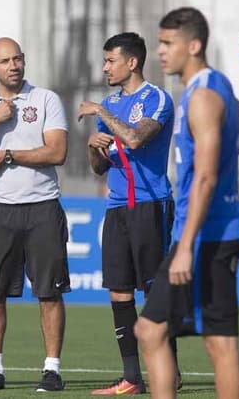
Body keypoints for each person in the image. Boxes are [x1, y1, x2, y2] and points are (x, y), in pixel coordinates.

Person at [134, 7, 239, 399]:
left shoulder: (203, 95)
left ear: (194, 44)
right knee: (155, 330)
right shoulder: (216, 85)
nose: (160, 52)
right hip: (208, 232)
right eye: (159, 43)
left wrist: (185, 246)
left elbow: (205, 176)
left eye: (168, 43)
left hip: (205, 236)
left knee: (212, 342)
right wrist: (223, 160)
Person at [0, 37, 70, 392]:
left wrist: (7, 154)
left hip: (42, 207)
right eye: (5, 61)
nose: (14, 66)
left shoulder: (45, 99)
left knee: (49, 293)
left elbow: (57, 152)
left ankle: (52, 369)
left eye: (18, 59)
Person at [77, 32, 181, 395]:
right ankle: (131, 377)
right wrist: (93, 146)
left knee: (153, 292)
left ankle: (171, 373)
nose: (105, 67)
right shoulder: (108, 103)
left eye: (110, 60)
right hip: (117, 207)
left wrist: (101, 113)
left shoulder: (157, 98)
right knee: (119, 292)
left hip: (150, 204)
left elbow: (136, 139)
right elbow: (99, 168)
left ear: (132, 62)